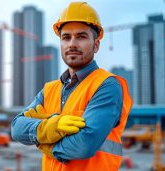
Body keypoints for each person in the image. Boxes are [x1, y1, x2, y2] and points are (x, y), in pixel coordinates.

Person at [11, 1, 133, 171]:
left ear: (96, 45)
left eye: (81, 36)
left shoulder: (107, 85)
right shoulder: (49, 90)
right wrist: (49, 127)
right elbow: (16, 127)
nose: (72, 44)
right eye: (66, 37)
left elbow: (84, 144)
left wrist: (45, 143)